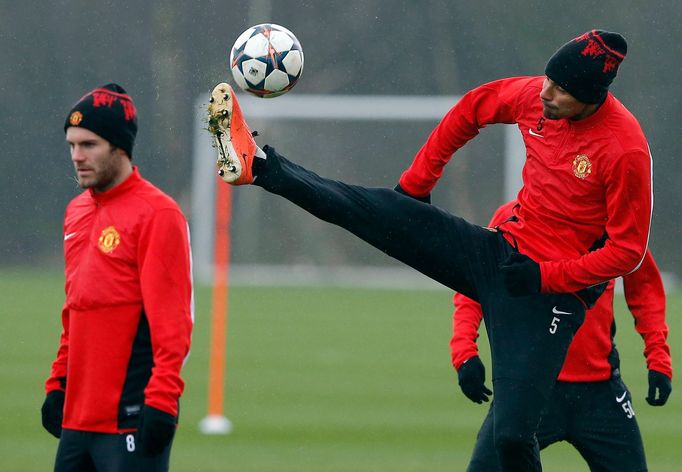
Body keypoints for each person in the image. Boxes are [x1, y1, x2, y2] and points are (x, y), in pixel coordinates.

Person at [206, 29, 652, 471]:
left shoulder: (625, 148)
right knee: (373, 212)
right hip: (497, 254)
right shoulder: (536, 95)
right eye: (548, 80)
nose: (546, 93)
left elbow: (627, 252)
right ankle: (258, 164)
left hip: (547, 299)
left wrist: (544, 278)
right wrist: (416, 187)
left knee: (513, 438)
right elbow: (472, 108)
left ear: (592, 97)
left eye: (561, 90)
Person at [452, 201, 672, 471]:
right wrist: (465, 354)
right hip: (530, 387)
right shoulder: (511, 218)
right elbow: (476, 286)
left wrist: (658, 358)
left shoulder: (613, 224)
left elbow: (644, 287)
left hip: (600, 393)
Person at [41, 84, 194, 471]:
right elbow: (75, 308)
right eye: (72, 145)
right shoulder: (75, 212)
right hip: (77, 421)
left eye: (89, 144)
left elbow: (173, 321)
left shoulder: (158, 214)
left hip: (131, 418)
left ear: (120, 146)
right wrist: (58, 382)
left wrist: (162, 399)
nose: (77, 156)